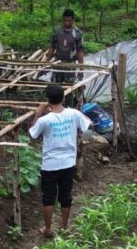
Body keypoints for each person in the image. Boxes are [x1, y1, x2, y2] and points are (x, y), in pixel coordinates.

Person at [29, 83, 92, 237]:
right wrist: (80, 137)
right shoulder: (73, 114)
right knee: (66, 195)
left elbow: (32, 135)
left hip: (50, 164)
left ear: (48, 100)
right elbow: (89, 125)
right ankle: (63, 227)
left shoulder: (45, 120)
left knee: (49, 197)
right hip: (68, 162)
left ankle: (48, 228)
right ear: (63, 97)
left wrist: (38, 113)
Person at [45, 9, 85, 87]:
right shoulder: (57, 31)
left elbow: (80, 51)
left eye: (69, 21)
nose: (67, 22)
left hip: (70, 65)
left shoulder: (77, 33)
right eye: (65, 20)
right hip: (58, 63)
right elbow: (52, 47)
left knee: (69, 88)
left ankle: (68, 99)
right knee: (54, 87)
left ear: (73, 20)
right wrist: (46, 62)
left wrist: (81, 68)